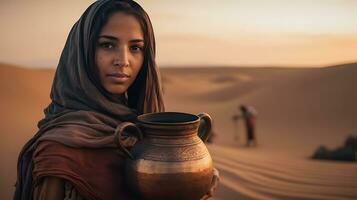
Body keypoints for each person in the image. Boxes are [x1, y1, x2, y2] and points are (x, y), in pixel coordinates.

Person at [14, 1, 218, 199]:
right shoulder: (61, 150)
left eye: (135, 48)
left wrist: (194, 185)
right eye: (107, 45)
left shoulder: (143, 132)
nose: (123, 61)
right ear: (83, 52)